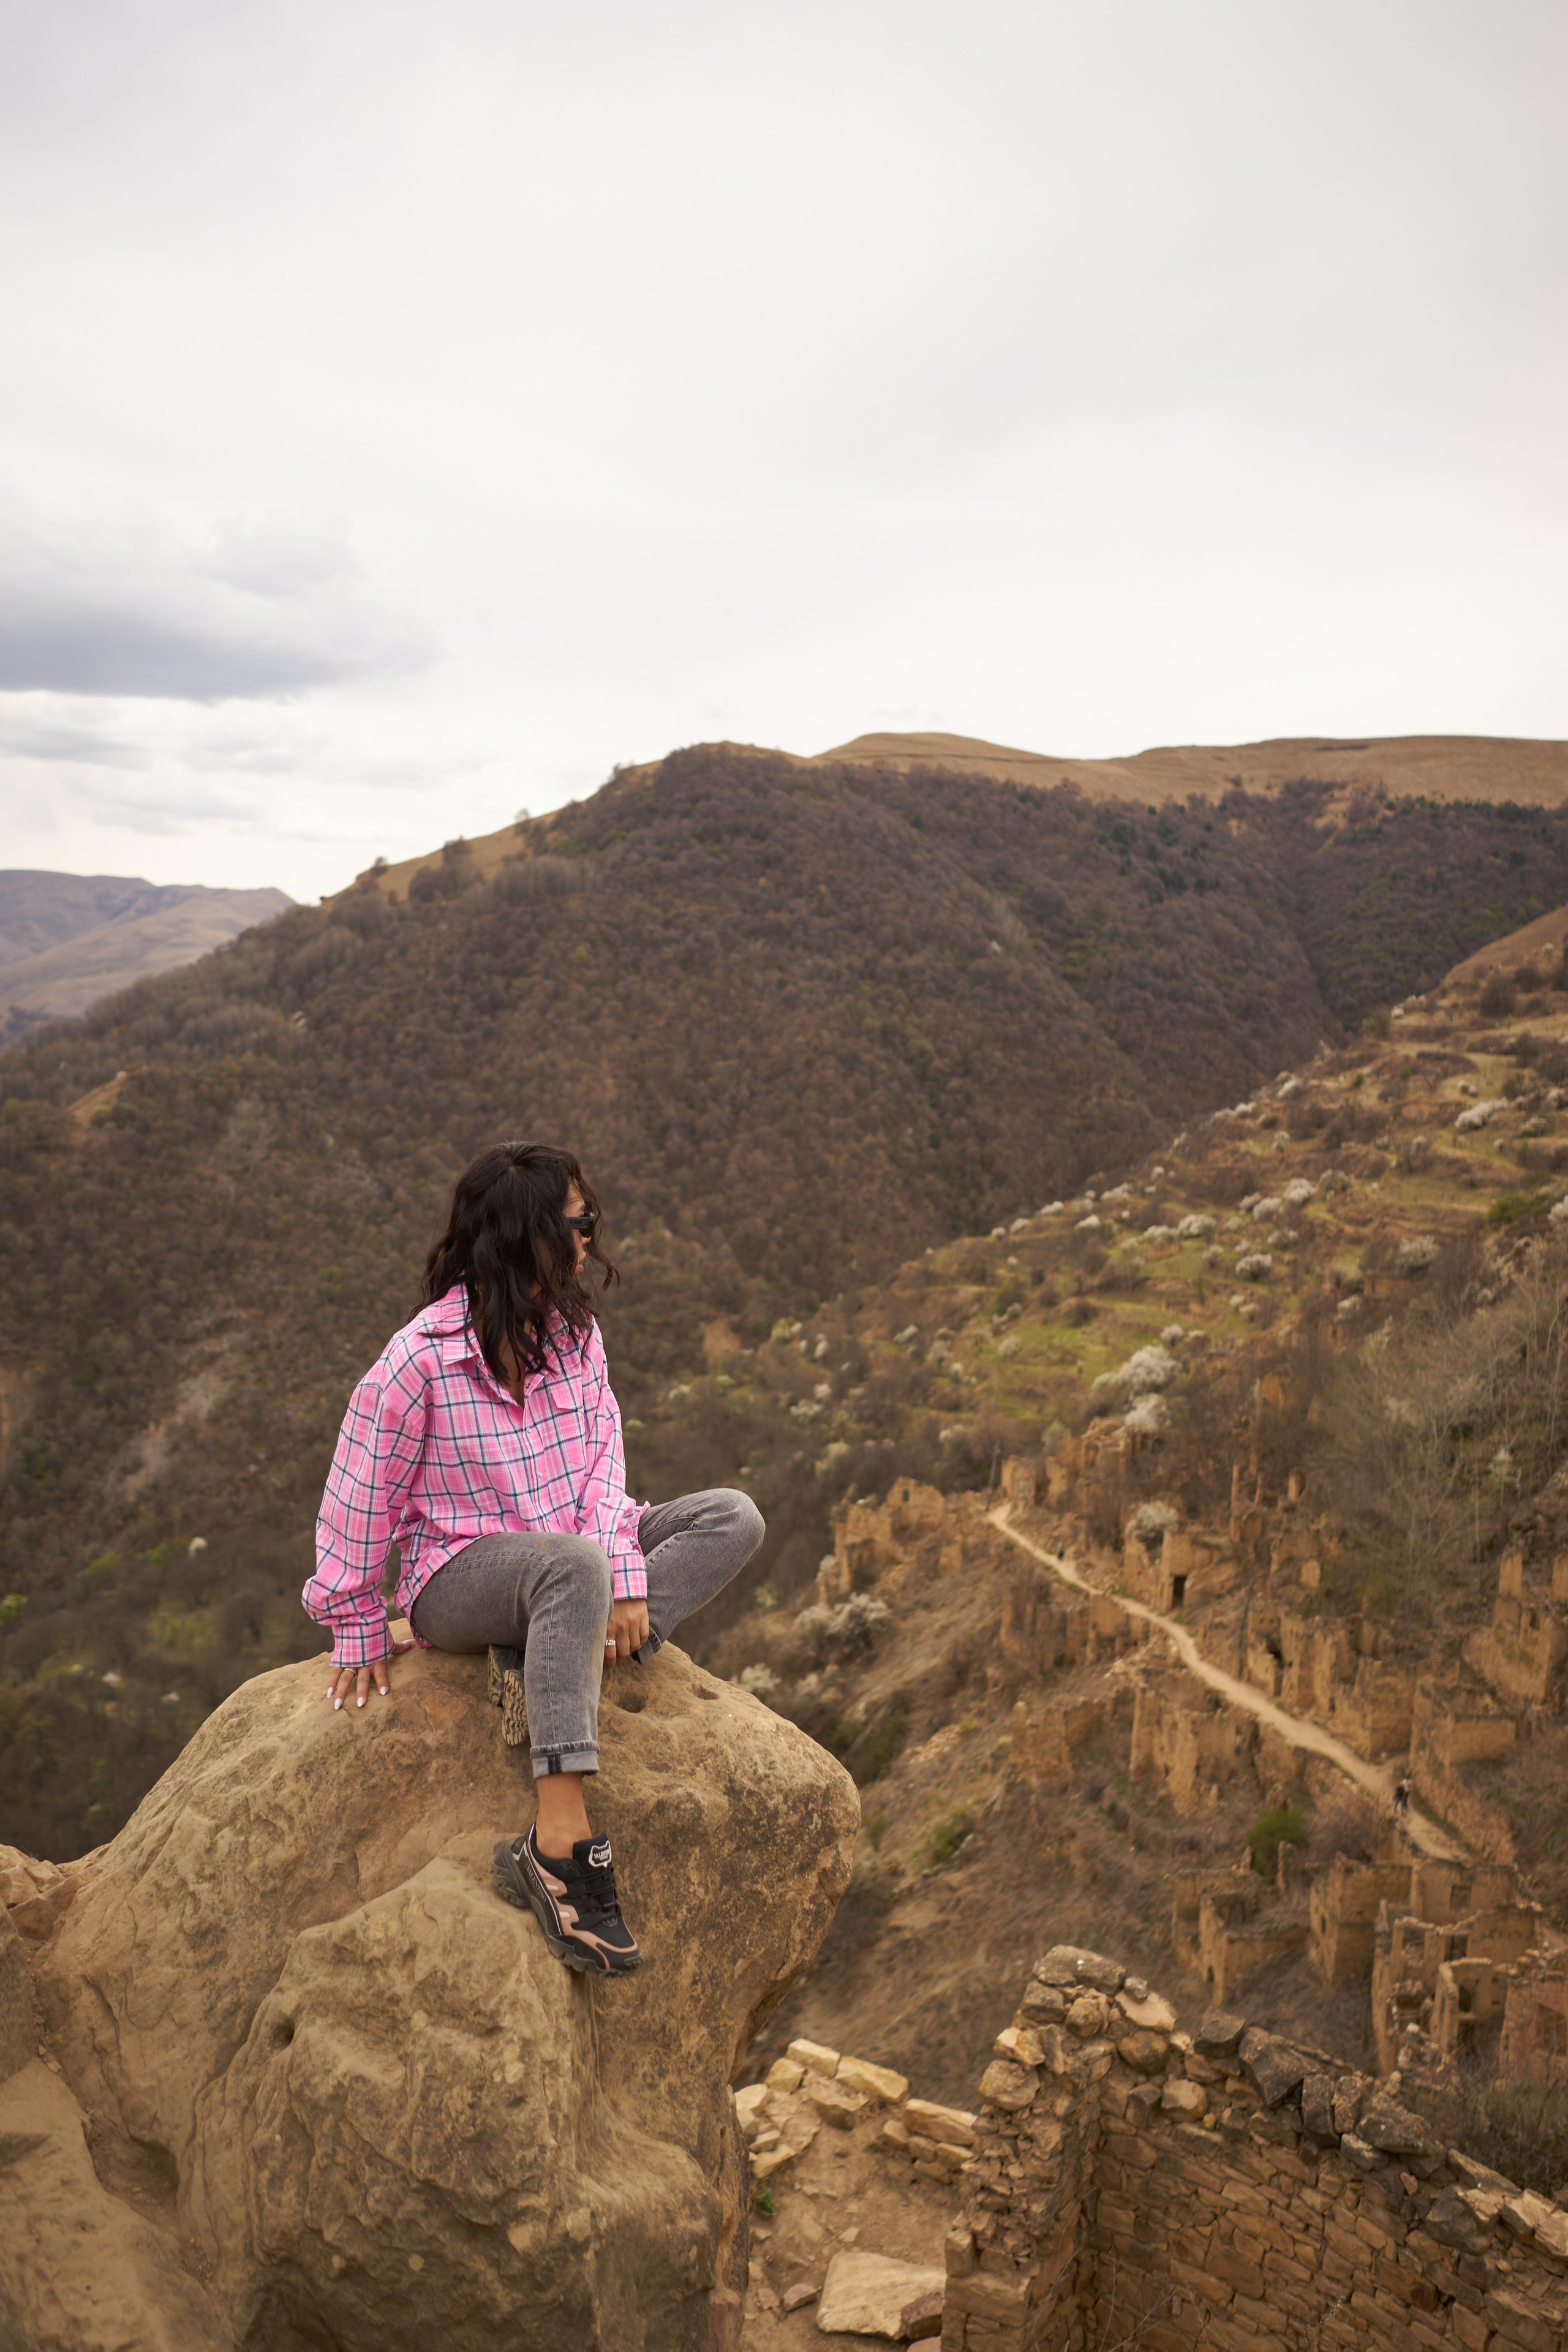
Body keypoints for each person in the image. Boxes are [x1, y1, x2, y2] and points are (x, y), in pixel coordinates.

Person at [304, 1140, 764, 1977]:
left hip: (575, 1552)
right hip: (461, 1577)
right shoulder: (419, 1363)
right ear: (526, 1237)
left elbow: (602, 1469)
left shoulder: (573, 1337)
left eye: (590, 1220)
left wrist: (622, 1573)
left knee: (734, 1517)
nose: (591, 1235)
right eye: (577, 1221)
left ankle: (562, 1648)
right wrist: (356, 1623)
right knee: (571, 1569)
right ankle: (556, 1843)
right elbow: (359, 1495)